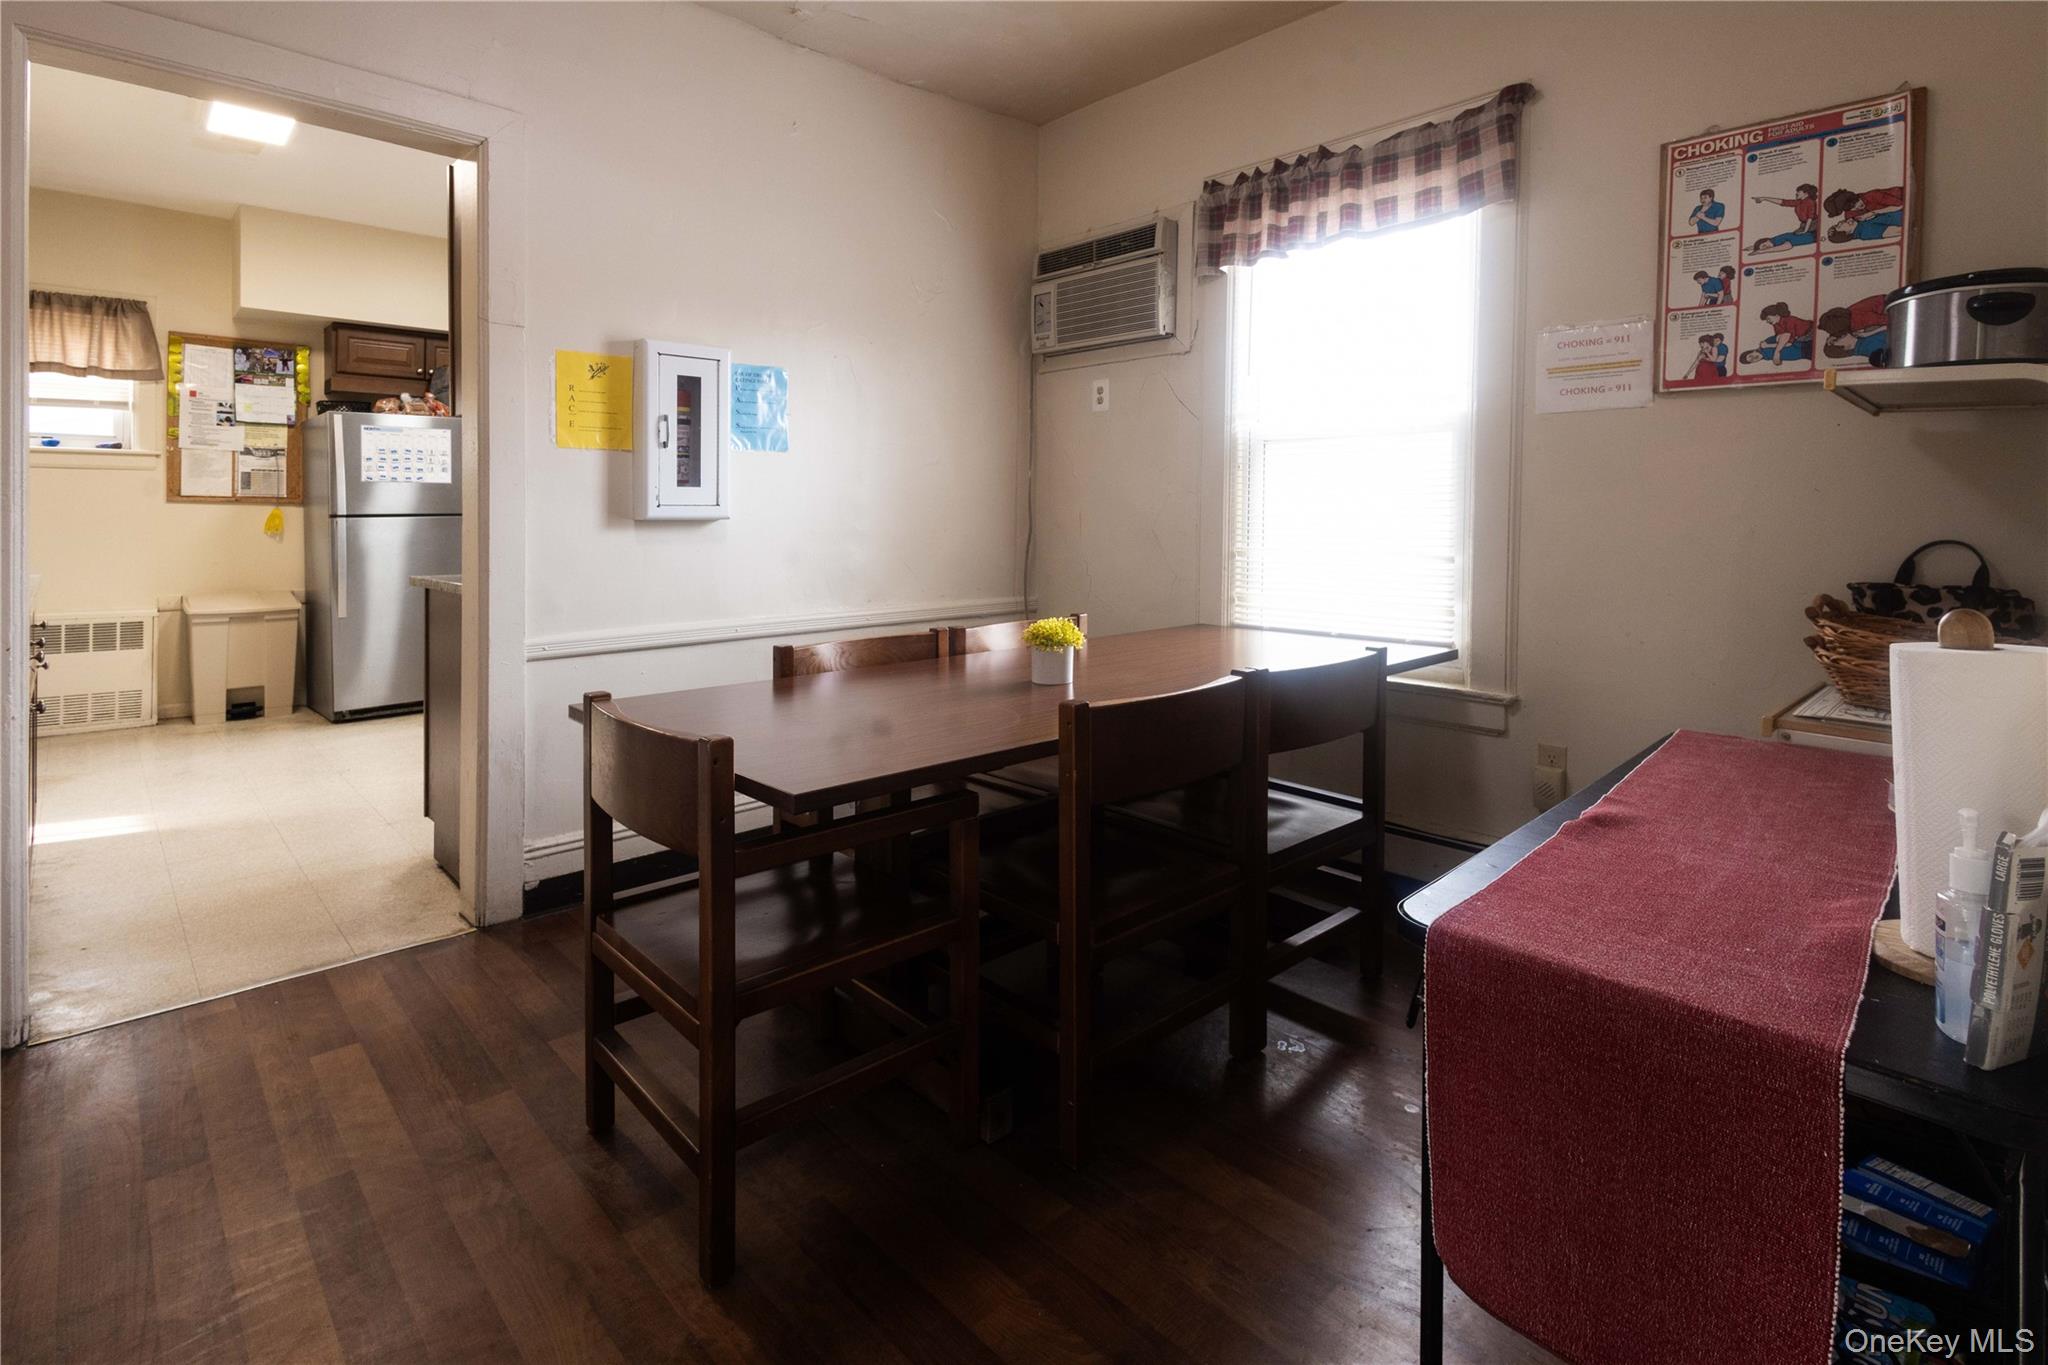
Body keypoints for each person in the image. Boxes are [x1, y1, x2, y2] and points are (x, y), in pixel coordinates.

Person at [1819, 295, 1891, 362]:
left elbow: (1887, 323)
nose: (1839, 335)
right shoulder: (1867, 346)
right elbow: (1891, 325)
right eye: (1836, 340)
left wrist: (1867, 333)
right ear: (1846, 347)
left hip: (1887, 304)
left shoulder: (1860, 331)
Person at [1740, 302, 1813, 367]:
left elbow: (1787, 340)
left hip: (1810, 335)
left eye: (1750, 356)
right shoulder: (1776, 325)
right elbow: (1782, 341)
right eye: (1751, 361)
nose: (1753, 358)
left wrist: (1775, 352)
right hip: (1803, 349)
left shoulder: (1788, 320)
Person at [1824, 186, 1905, 243]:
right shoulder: (1865, 231)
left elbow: (1900, 205)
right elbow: (1898, 231)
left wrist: (1873, 213)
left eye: (1856, 202)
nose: (1840, 222)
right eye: (1838, 226)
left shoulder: (1872, 196)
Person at [1752, 183, 1820, 235]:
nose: (1796, 193)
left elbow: (1810, 218)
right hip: (1804, 225)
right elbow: (1783, 202)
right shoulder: (1798, 202)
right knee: (1793, 235)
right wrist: (1764, 198)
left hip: (1813, 224)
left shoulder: (1810, 202)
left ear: (1806, 194)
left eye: (1799, 191)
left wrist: (1805, 231)